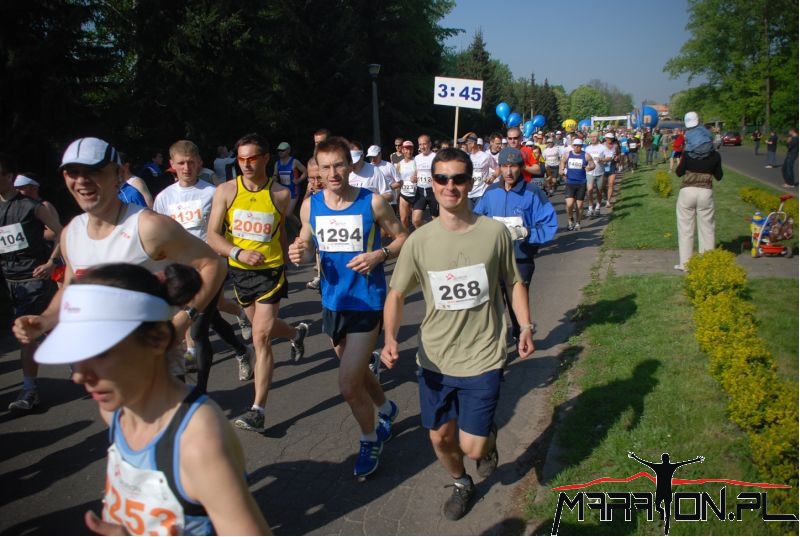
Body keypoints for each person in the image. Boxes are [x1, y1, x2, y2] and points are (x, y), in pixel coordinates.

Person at [35, 263, 270, 535]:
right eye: (76, 354)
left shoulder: (197, 442)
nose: (79, 376)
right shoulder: (116, 412)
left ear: (157, 339)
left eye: (100, 353)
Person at [380, 147, 534, 521]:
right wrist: (390, 338)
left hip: (483, 354)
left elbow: (513, 281)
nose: (450, 186)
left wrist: (525, 326)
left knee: (474, 446)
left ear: (470, 181)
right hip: (435, 358)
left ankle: (486, 441)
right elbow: (396, 294)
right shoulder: (419, 240)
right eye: (442, 178)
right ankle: (462, 482)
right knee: (439, 437)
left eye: (459, 178)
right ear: (431, 183)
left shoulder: (494, 233)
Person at [12, 138, 227, 390]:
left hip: (157, 370)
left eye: (94, 171)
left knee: (182, 415)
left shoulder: (148, 226)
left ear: (119, 174)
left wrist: (183, 320)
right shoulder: (71, 233)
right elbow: (70, 288)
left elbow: (214, 265)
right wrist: (45, 320)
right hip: (107, 373)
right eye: (73, 172)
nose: (82, 180)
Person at [288, 137, 408, 478]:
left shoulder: (372, 202)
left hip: (367, 301)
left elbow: (403, 237)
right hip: (333, 301)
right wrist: (300, 253)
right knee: (356, 372)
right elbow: (307, 246)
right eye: (325, 167)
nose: (333, 173)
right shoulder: (310, 206)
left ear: (349, 165)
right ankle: (387, 408)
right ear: (317, 169)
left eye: (339, 165)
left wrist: (379, 255)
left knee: (348, 384)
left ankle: (370, 439)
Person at [206, 133, 308, 432]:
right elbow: (212, 236)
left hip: (271, 273)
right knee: (264, 328)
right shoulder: (226, 191)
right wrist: (238, 253)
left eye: (252, 158)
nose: (246, 164)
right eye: (241, 159)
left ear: (265, 158)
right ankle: (296, 333)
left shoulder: (280, 194)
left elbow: (280, 230)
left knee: (260, 337)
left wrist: (290, 256)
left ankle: (258, 409)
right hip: (240, 272)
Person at [153, 140, 253, 390]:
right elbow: (159, 236)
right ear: (172, 165)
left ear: (199, 162)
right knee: (211, 318)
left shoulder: (211, 193)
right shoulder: (164, 198)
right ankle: (242, 350)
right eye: (181, 163)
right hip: (179, 272)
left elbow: (226, 230)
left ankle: (199, 391)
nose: (186, 168)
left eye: (191, 162)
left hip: (210, 268)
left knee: (197, 331)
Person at [474, 147, 556, 340]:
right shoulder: (491, 192)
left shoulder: (534, 193)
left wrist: (527, 232)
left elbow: (549, 225)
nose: (508, 172)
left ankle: (521, 334)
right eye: (504, 166)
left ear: (521, 167)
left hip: (520, 259)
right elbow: (476, 219)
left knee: (516, 304)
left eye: (513, 166)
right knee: (492, 304)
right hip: (493, 259)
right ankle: (494, 343)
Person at [1, 156, 63, 411]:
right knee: (47, 328)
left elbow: (61, 232)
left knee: (26, 334)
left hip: (34, 278)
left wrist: (51, 263)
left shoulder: (32, 206)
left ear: (9, 177)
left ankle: (29, 390)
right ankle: (78, 356)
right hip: (10, 281)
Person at [674, 133, 723, 271]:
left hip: (687, 191)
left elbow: (679, 172)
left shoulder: (688, 154)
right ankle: (707, 263)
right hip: (705, 192)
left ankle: (685, 264)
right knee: (707, 228)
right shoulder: (715, 155)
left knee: (685, 229)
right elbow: (719, 176)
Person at [559, 138, 595, 231]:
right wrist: (561, 169)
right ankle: (570, 219)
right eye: (575, 145)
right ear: (572, 146)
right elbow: (562, 162)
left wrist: (589, 168)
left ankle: (578, 222)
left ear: (581, 146)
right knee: (569, 204)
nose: (576, 147)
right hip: (570, 182)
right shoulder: (567, 154)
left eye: (578, 146)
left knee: (579, 206)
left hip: (581, 183)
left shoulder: (586, 155)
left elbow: (593, 165)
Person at [273, 142, 307, 221]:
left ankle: (300, 226)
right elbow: (275, 174)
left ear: (288, 150)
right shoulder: (277, 163)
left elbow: (305, 172)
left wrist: (299, 180)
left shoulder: (294, 161)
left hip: (294, 190)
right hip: (283, 191)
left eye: (282, 150)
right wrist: (274, 178)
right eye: (279, 150)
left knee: (288, 214)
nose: (280, 152)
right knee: (280, 213)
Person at [411, 134, 438, 229]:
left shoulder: (435, 157)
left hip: (433, 191)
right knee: (415, 220)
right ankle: (425, 232)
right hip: (420, 191)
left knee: (436, 220)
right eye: (420, 144)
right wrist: (413, 178)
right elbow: (415, 173)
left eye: (424, 144)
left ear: (430, 144)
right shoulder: (416, 158)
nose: (422, 147)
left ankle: (436, 236)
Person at [366, 144, 401, 212]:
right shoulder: (367, 168)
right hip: (373, 204)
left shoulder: (389, 166)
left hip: (389, 203)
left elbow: (400, 182)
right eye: (370, 157)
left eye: (374, 156)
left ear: (380, 154)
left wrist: (386, 188)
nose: (372, 159)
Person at [395, 140, 417, 230]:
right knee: (403, 220)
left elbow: (422, 176)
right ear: (403, 150)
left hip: (416, 194)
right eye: (407, 149)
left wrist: (417, 178)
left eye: (410, 149)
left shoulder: (416, 161)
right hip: (404, 194)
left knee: (416, 221)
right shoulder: (399, 164)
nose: (409, 151)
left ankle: (420, 236)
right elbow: (397, 180)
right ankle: (406, 237)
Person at [583, 132, 605, 217]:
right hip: (590, 172)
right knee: (590, 190)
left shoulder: (603, 147)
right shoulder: (587, 148)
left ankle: (598, 207)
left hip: (600, 172)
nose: (592, 138)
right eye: (591, 137)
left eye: (595, 137)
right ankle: (590, 208)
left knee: (599, 191)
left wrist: (602, 159)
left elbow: (608, 158)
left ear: (598, 137)